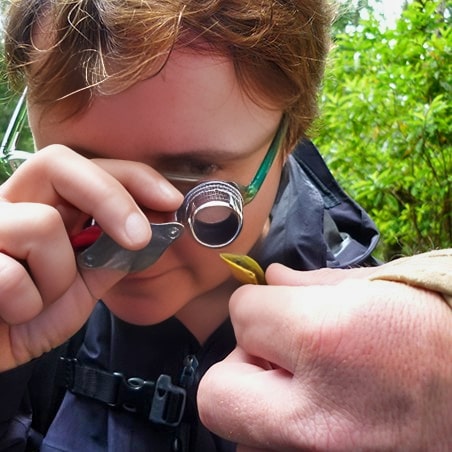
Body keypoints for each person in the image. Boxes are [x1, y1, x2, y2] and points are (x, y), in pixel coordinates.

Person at [0, 0, 450, 451]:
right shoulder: (22, 300)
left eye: (196, 170)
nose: (128, 231)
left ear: (290, 136)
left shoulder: (384, 353)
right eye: (79, 171)